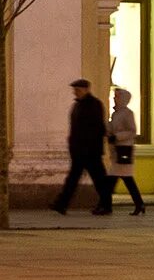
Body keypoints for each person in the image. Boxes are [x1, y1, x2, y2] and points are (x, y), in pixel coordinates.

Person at [51, 79, 110, 216]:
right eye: (74, 89)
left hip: (91, 151)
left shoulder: (94, 105)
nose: (75, 92)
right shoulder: (77, 105)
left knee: (99, 179)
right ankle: (61, 204)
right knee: (73, 178)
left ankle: (106, 205)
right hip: (79, 150)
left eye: (77, 89)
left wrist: (90, 145)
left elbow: (98, 128)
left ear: (86, 89)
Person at [105, 87, 146, 216]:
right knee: (127, 181)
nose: (114, 99)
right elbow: (112, 128)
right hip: (117, 152)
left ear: (123, 99)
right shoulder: (116, 113)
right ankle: (139, 204)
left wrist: (117, 136)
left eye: (116, 97)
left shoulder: (128, 113)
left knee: (113, 182)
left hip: (124, 151)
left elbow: (132, 131)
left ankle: (105, 206)